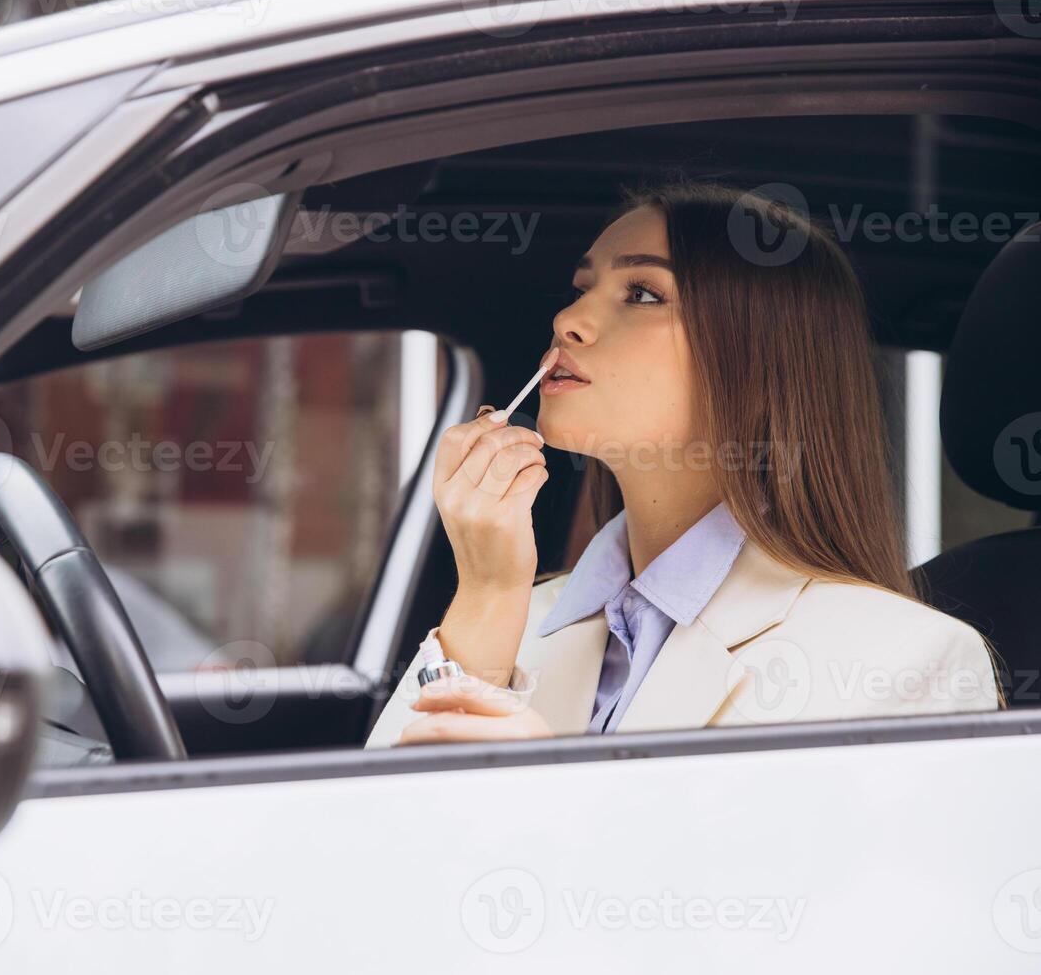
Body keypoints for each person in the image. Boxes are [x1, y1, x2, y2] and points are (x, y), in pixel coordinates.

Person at [365, 182, 1001, 748]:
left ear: (760, 364)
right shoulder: (511, 611)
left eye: (641, 293)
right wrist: (485, 593)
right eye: (584, 287)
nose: (569, 320)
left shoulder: (907, 661)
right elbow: (371, 848)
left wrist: (551, 803)